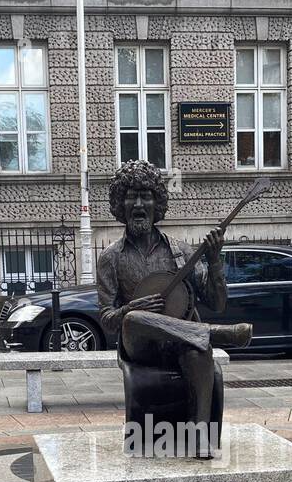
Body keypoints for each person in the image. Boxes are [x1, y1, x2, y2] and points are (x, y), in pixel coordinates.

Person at [96, 160, 251, 455]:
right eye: (131, 196)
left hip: (179, 342)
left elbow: (217, 303)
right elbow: (107, 318)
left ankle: (199, 435)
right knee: (134, 318)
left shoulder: (181, 252)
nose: (139, 203)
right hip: (140, 345)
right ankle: (215, 333)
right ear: (120, 203)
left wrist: (216, 260)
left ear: (158, 203)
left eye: (146, 195)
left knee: (198, 348)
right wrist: (131, 307)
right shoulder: (111, 258)